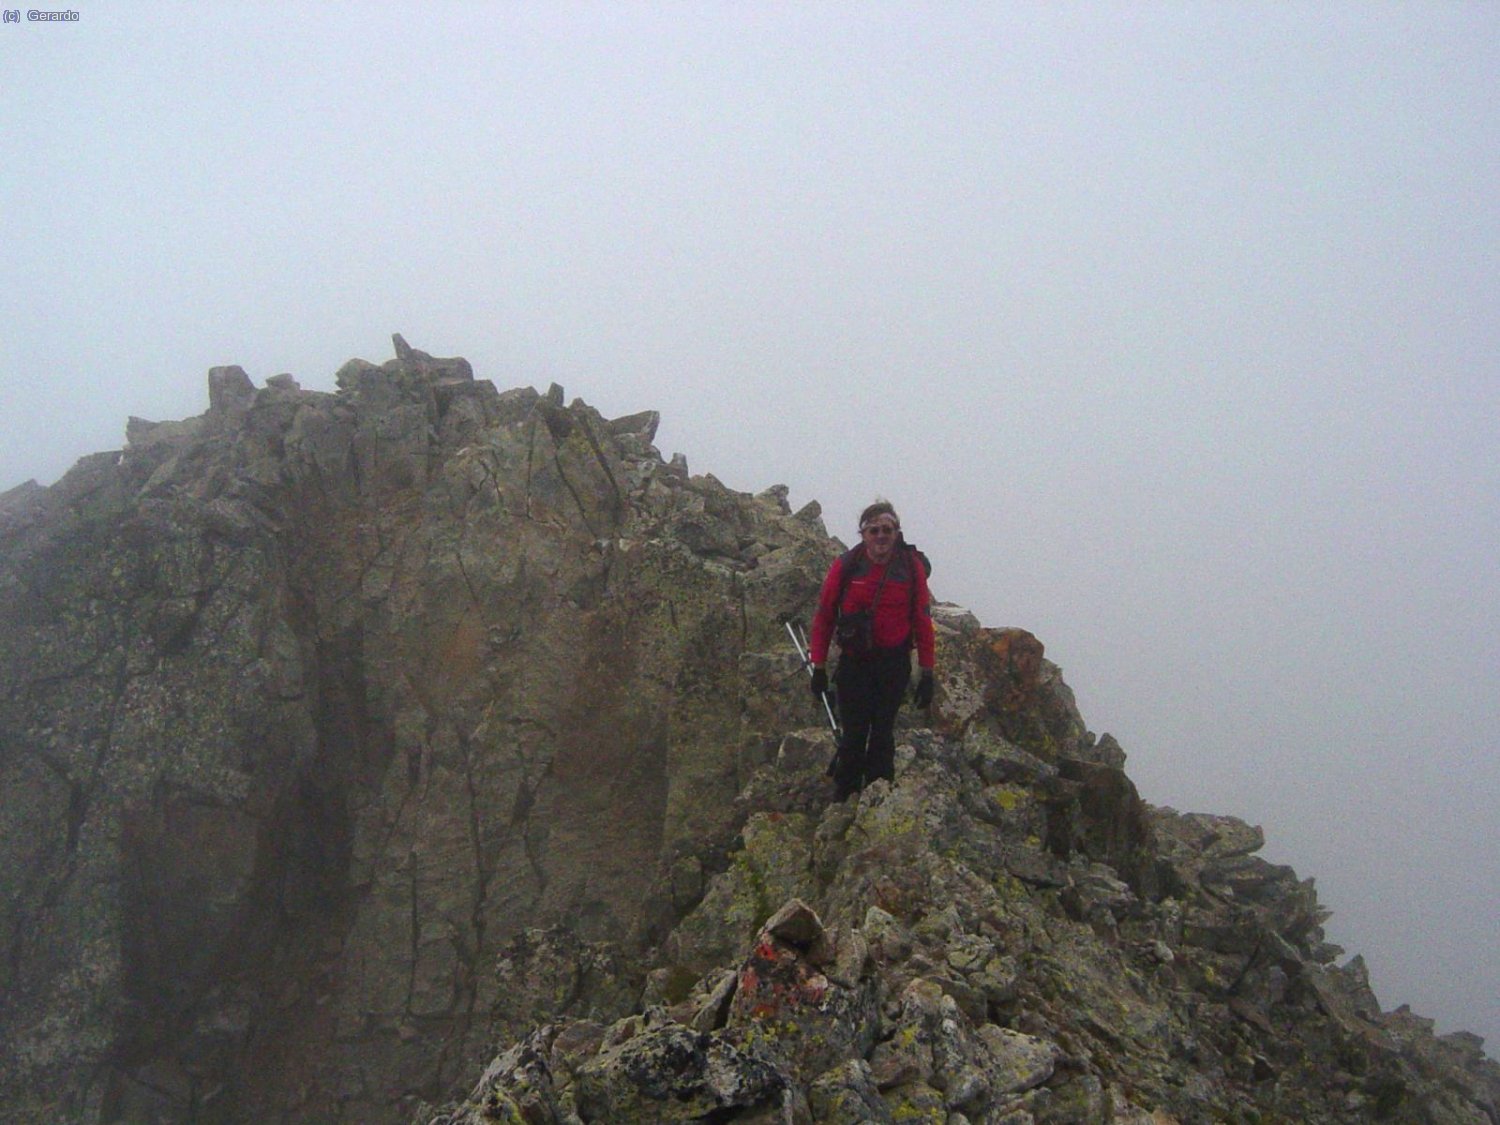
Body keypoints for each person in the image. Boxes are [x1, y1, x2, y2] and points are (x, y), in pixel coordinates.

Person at [808, 500, 935, 799]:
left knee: (882, 732)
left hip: (893, 663)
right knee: (853, 733)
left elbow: (922, 619)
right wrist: (819, 666)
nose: (881, 536)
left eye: (887, 530)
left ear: (897, 533)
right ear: (863, 534)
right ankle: (846, 796)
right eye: (874, 530)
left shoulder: (910, 567)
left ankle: (878, 797)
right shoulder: (847, 566)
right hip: (855, 664)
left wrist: (926, 671)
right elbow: (825, 617)